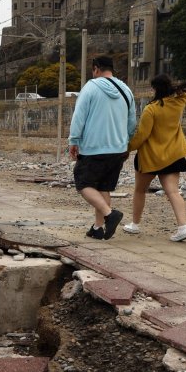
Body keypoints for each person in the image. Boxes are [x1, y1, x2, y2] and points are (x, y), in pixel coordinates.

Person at [67, 55, 137, 240]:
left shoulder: (90, 87)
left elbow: (79, 117)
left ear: (96, 69)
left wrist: (74, 140)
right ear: (111, 69)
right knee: (103, 187)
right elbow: (132, 123)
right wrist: (125, 142)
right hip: (118, 149)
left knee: (84, 184)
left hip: (94, 149)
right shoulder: (126, 90)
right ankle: (98, 228)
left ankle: (109, 214)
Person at [124, 74, 186, 242]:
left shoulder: (151, 108)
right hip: (173, 156)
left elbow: (142, 135)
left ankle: (135, 224)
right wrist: (177, 89)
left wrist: (126, 148)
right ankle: (183, 227)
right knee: (173, 192)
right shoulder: (178, 103)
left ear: (154, 89)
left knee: (140, 190)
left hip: (151, 157)